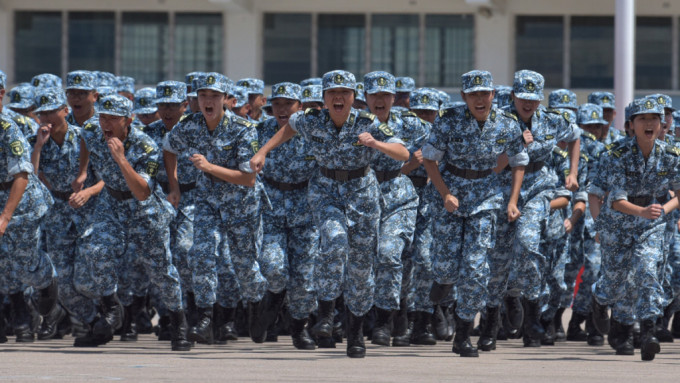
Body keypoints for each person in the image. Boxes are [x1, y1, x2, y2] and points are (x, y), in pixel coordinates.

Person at [250, 69, 409, 358]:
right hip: (326, 191)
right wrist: (263, 151)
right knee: (334, 242)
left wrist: (376, 144)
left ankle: (356, 333)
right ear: (323, 98)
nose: (339, 97)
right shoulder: (312, 120)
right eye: (332, 93)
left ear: (353, 98)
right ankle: (325, 314)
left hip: (362, 196)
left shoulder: (367, 122)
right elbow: (288, 128)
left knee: (361, 271)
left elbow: (403, 153)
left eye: (345, 93)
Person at [422, 70, 528, 357]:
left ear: (493, 95)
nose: (480, 99)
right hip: (451, 193)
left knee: (475, 268)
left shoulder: (507, 124)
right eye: (473, 94)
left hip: (486, 196)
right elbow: (430, 160)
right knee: (445, 267)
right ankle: (438, 290)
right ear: (464, 97)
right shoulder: (449, 121)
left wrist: (513, 200)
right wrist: (445, 193)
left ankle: (463, 335)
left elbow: (519, 162)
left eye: (485, 93)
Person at [73, 94, 190, 351]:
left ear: (129, 120)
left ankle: (179, 323)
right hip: (111, 204)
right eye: (103, 117)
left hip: (144, 209)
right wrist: (83, 170)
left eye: (113, 119)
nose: (106, 124)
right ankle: (112, 308)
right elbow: (85, 137)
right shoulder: (93, 128)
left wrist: (121, 159)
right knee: (97, 251)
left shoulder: (145, 146)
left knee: (161, 270)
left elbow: (142, 193)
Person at [163, 73, 266, 345]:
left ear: (226, 100)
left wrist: (209, 167)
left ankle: (257, 306)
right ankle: (205, 316)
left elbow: (248, 178)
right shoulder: (191, 125)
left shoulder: (243, 129)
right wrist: (174, 186)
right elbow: (168, 148)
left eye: (214, 96)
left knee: (244, 266)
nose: (208, 101)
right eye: (203, 96)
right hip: (207, 201)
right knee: (202, 254)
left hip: (241, 205)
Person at [487, 70, 580, 348]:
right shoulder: (498, 122)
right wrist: (516, 146)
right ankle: (493, 321)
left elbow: (575, 136)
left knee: (528, 247)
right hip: (501, 189)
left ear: (540, 99)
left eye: (533, 99)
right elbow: (493, 166)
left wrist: (573, 172)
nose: (528, 104)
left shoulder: (552, 120)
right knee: (499, 260)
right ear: (513, 96)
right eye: (522, 98)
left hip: (538, 188)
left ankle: (531, 323)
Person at [589, 97, 680, 361]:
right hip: (619, 222)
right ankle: (599, 299)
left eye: (654, 118)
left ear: (661, 123)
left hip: (651, 222)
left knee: (647, 271)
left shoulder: (671, 155)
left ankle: (648, 332)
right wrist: (641, 212)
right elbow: (616, 201)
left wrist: (664, 209)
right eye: (643, 119)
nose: (649, 123)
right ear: (631, 125)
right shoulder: (617, 155)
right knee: (616, 283)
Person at [29, 87, 103, 340]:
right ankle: (91, 321)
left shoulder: (85, 137)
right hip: (57, 214)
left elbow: (106, 179)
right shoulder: (37, 139)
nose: (47, 117)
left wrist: (88, 192)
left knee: (85, 275)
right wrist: (39, 146)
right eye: (42, 113)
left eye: (53, 111)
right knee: (61, 278)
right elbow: (31, 177)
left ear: (65, 110)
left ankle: (108, 313)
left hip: (88, 211)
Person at [255, 82, 319, 350]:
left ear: (299, 107)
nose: (281, 109)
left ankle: (298, 329)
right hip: (272, 206)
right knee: (274, 268)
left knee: (304, 277)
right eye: (277, 104)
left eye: (287, 104)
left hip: (305, 208)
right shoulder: (259, 132)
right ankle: (273, 297)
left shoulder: (312, 132)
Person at [0, 104, 57, 344]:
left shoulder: (7, 129)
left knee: (24, 260)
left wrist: (5, 217)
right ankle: (19, 314)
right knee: (3, 260)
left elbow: (22, 175)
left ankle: (48, 279)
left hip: (22, 200)